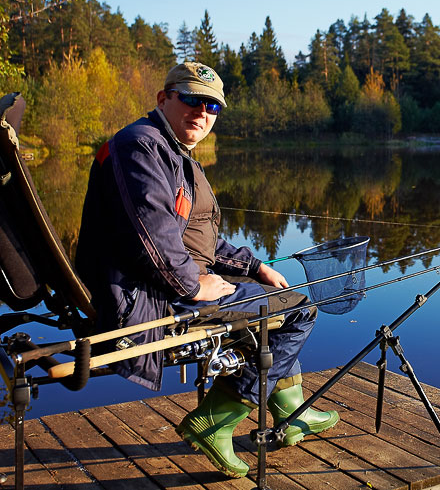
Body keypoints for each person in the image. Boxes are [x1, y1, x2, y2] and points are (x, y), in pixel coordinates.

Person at [75, 62, 338, 478]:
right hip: (150, 298)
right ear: (164, 99)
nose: (203, 112)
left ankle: (293, 412)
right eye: (193, 99)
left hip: (169, 284)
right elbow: (152, 238)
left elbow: (202, 240)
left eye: (213, 106)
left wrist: (255, 266)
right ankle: (214, 423)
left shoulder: (178, 156)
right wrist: (195, 286)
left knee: (283, 301)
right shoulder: (139, 146)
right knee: (299, 311)